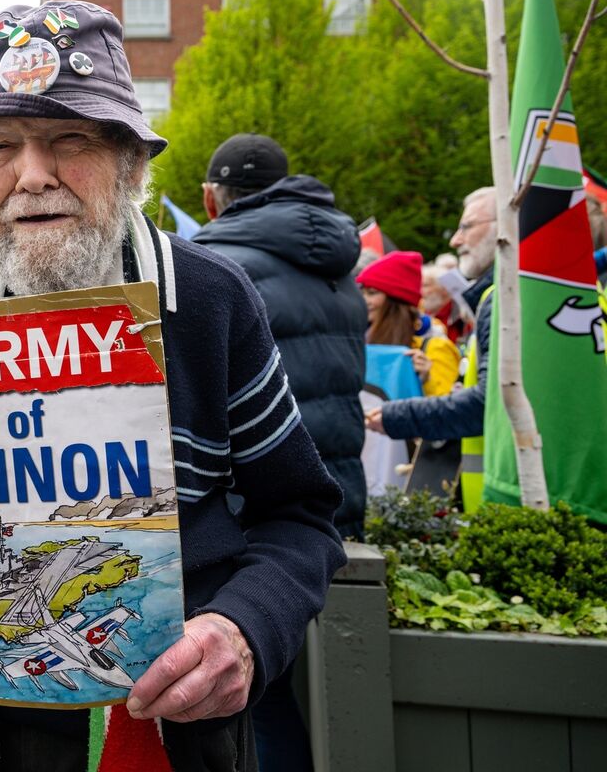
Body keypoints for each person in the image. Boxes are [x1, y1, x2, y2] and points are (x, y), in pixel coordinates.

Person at [0, 0, 345, 772]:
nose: (34, 175)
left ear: (130, 164)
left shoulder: (208, 300)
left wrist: (243, 629)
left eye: (70, 139)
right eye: (0, 148)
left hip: (166, 730)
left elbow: (302, 518)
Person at [190, 133, 366, 771]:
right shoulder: (339, 264)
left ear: (212, 198)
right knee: (297, 680)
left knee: (254, 695)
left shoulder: (210, 268)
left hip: (255, 514)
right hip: (337, 493)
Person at [366, 189, 498, 511]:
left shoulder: (435, 345)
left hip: (439, 486)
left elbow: (471, 406)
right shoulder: (363, 342)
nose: (455, 239)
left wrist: (423, 385)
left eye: (466, 226)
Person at [357, 251, 461, 397]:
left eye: (372, 293)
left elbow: (449, 405)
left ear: (396, 300)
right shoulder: (362, 337)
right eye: (362, 293)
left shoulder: (435, 347)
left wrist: (426, 380)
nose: (364, 300)